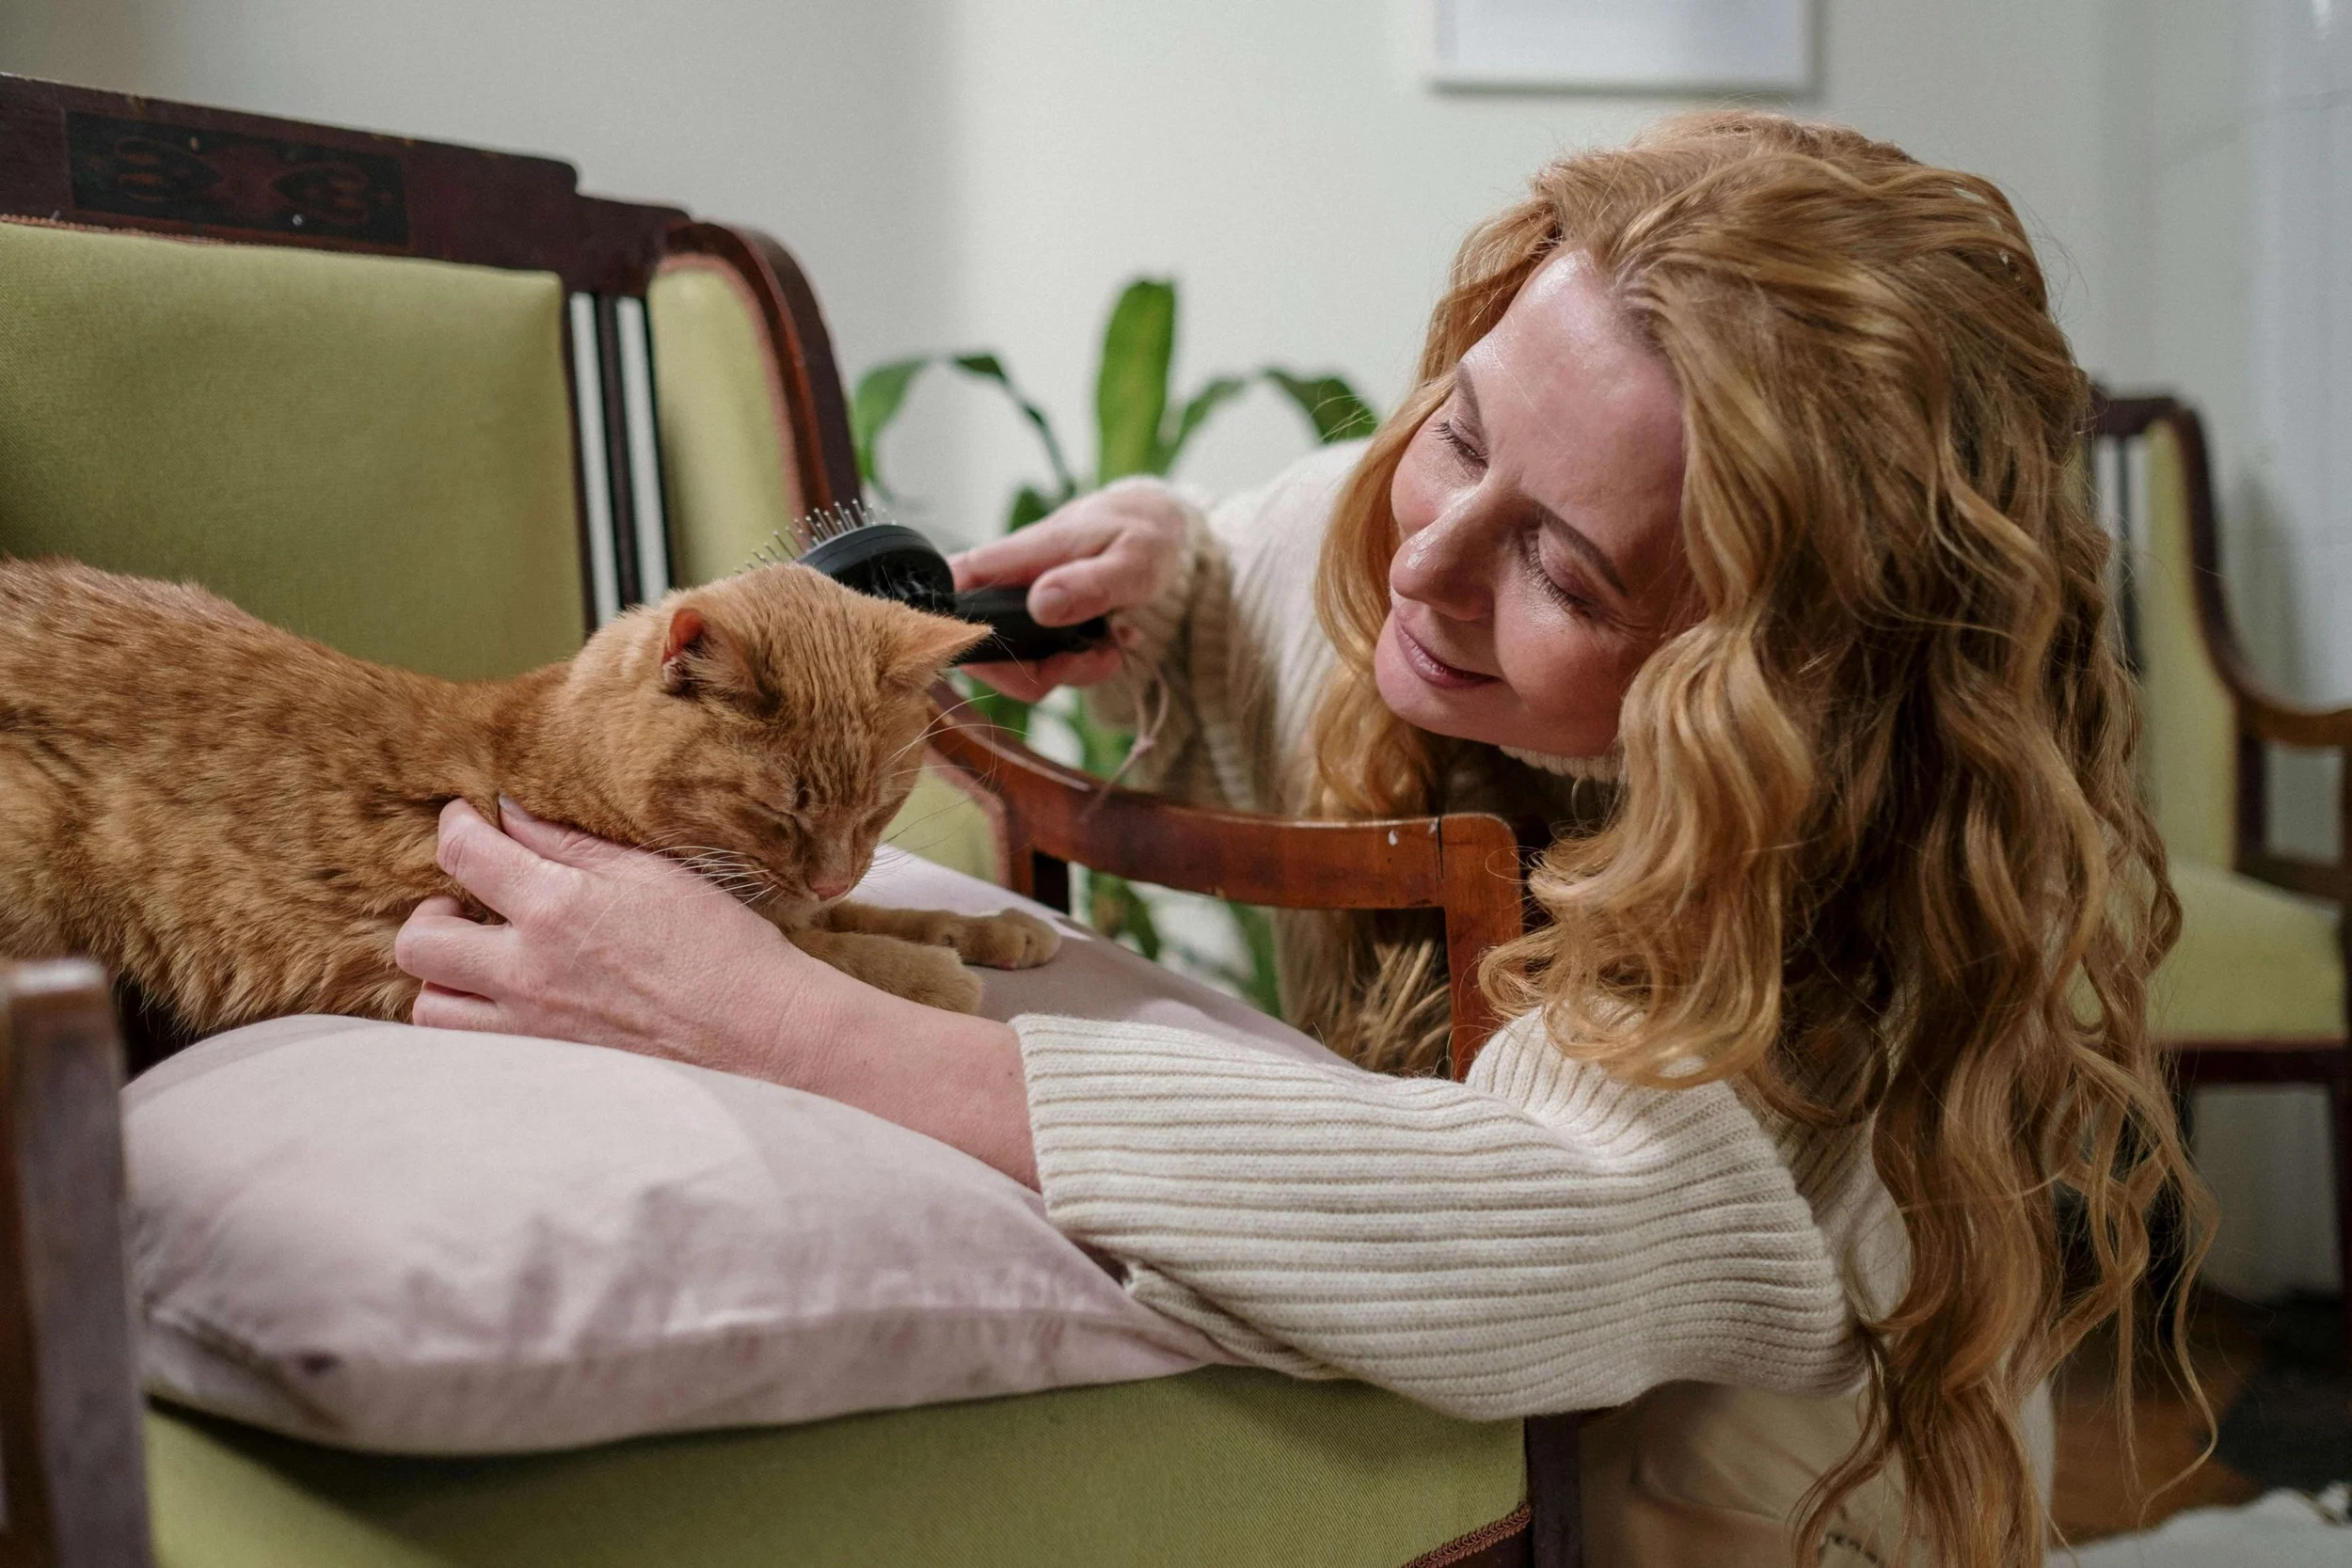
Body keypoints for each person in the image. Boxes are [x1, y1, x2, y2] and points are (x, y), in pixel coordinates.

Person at [393, 112, 2204, 1567]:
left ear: (1774, 683)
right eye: (1460, 431)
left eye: (1563, 567)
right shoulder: (1432, 538)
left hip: (1771, 1509)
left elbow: (1518, 1226)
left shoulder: (1820, 960)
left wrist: (780, 1019)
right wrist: (1170, 570)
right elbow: (1286, 542)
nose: (1424, 559)